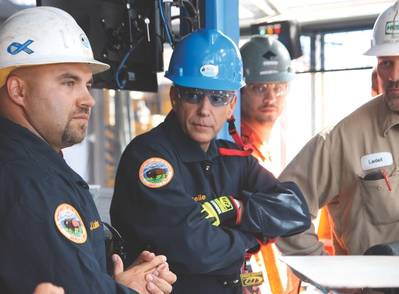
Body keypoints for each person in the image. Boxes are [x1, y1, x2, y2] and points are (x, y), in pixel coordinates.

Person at [110, 28, 311, 294]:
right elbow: (193, 247)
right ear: (174, 97)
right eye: (194, 95)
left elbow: (296, 210)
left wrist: (238, 209)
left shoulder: (234, 159)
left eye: (217, 98)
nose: (205, 110)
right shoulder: (149, 158)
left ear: (230, 105)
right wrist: (251, 237)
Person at [0, 6, 176, 293]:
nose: (88, 100)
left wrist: (115, 284)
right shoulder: (29, 182)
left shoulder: (36, 166)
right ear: (18, 91)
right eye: (69, 82)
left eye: (88, 84)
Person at [277, 0, 399, 262]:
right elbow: (283, 205)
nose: (393, 75)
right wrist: (331, 273)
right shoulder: (344, 138)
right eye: (386, 63)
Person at [239, 35, 295, 294]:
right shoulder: (235, 151)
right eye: (259, 88)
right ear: (241, 90)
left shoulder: (274, 148)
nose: (271, 96)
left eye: (278, 87)